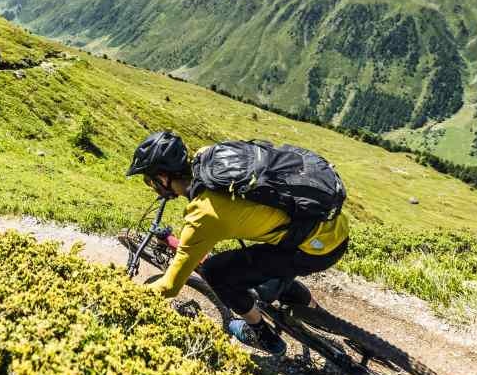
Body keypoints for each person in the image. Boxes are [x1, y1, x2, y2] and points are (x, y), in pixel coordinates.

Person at [125, 131, 350, 355]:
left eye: (149, 180)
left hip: (314, 251)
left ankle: (263, 336)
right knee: (264, 266)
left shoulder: (203, 216)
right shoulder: (210, 155)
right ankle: (319, 316)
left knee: (216, 272)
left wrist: (122, 294)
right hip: (332, 225)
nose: (152, 185)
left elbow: (169, 287)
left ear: (163, 178)